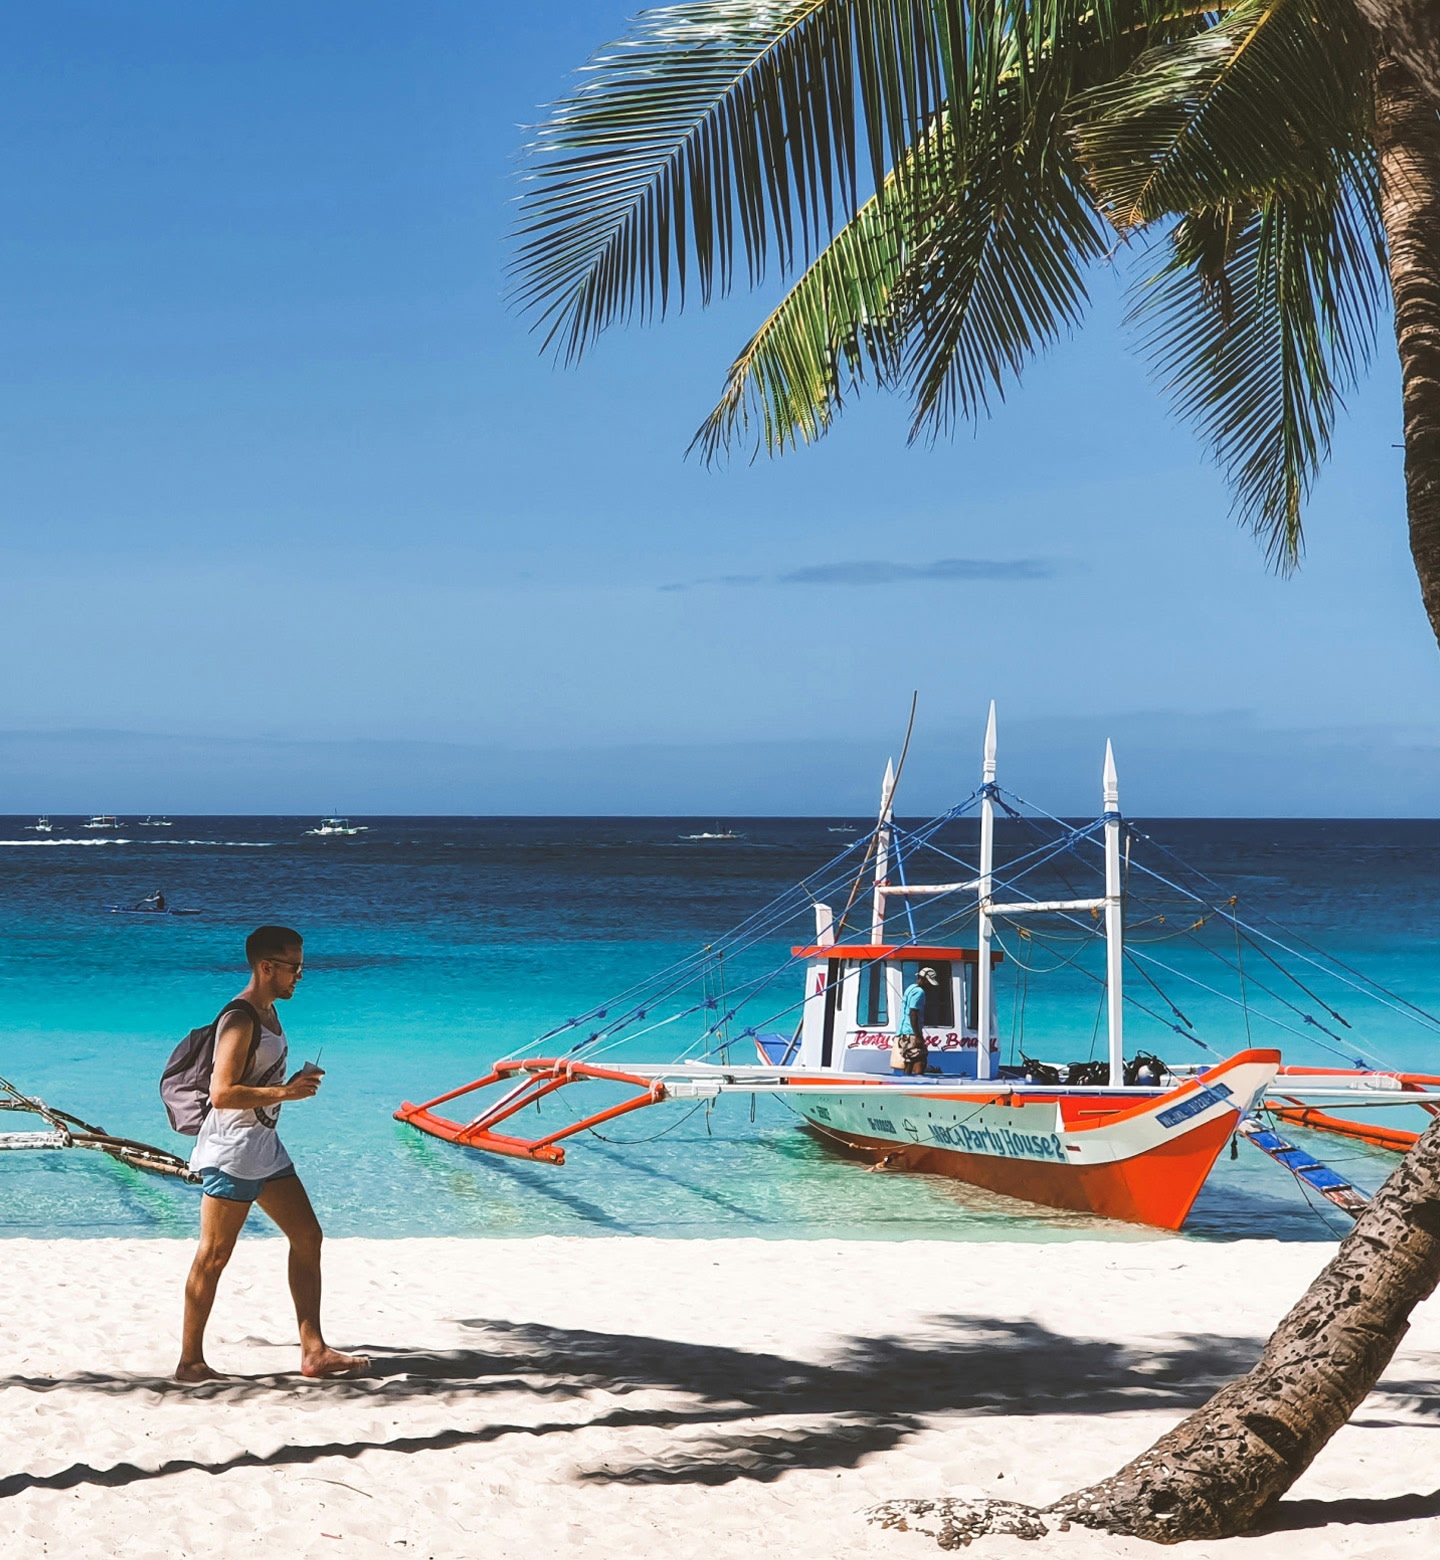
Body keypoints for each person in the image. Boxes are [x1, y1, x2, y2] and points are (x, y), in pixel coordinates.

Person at [175, 925, 366, 1383]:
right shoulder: (240, 1018)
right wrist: (288, 1091)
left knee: (308, 1237)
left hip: (265, 1150)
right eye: (294, 967)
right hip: (233, 1153)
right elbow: (221, 1094)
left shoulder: (270, 1014)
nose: (300, 975)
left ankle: (314, 1351)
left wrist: (289, 1088)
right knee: (214, 1255)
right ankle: (191, 1363)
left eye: (301, 966)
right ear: (266, 967)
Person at [895, 966, 941, 1076]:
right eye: (929, 982)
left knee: (909, 1059)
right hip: (911, 1032)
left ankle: (907, 1079)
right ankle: (918, 1082)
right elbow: (913, 1013)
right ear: (924, 980)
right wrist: (918, 1035)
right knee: (921, 1057)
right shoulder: (920, 992)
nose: (930, 986)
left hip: (904, 1031)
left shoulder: (911, 988)